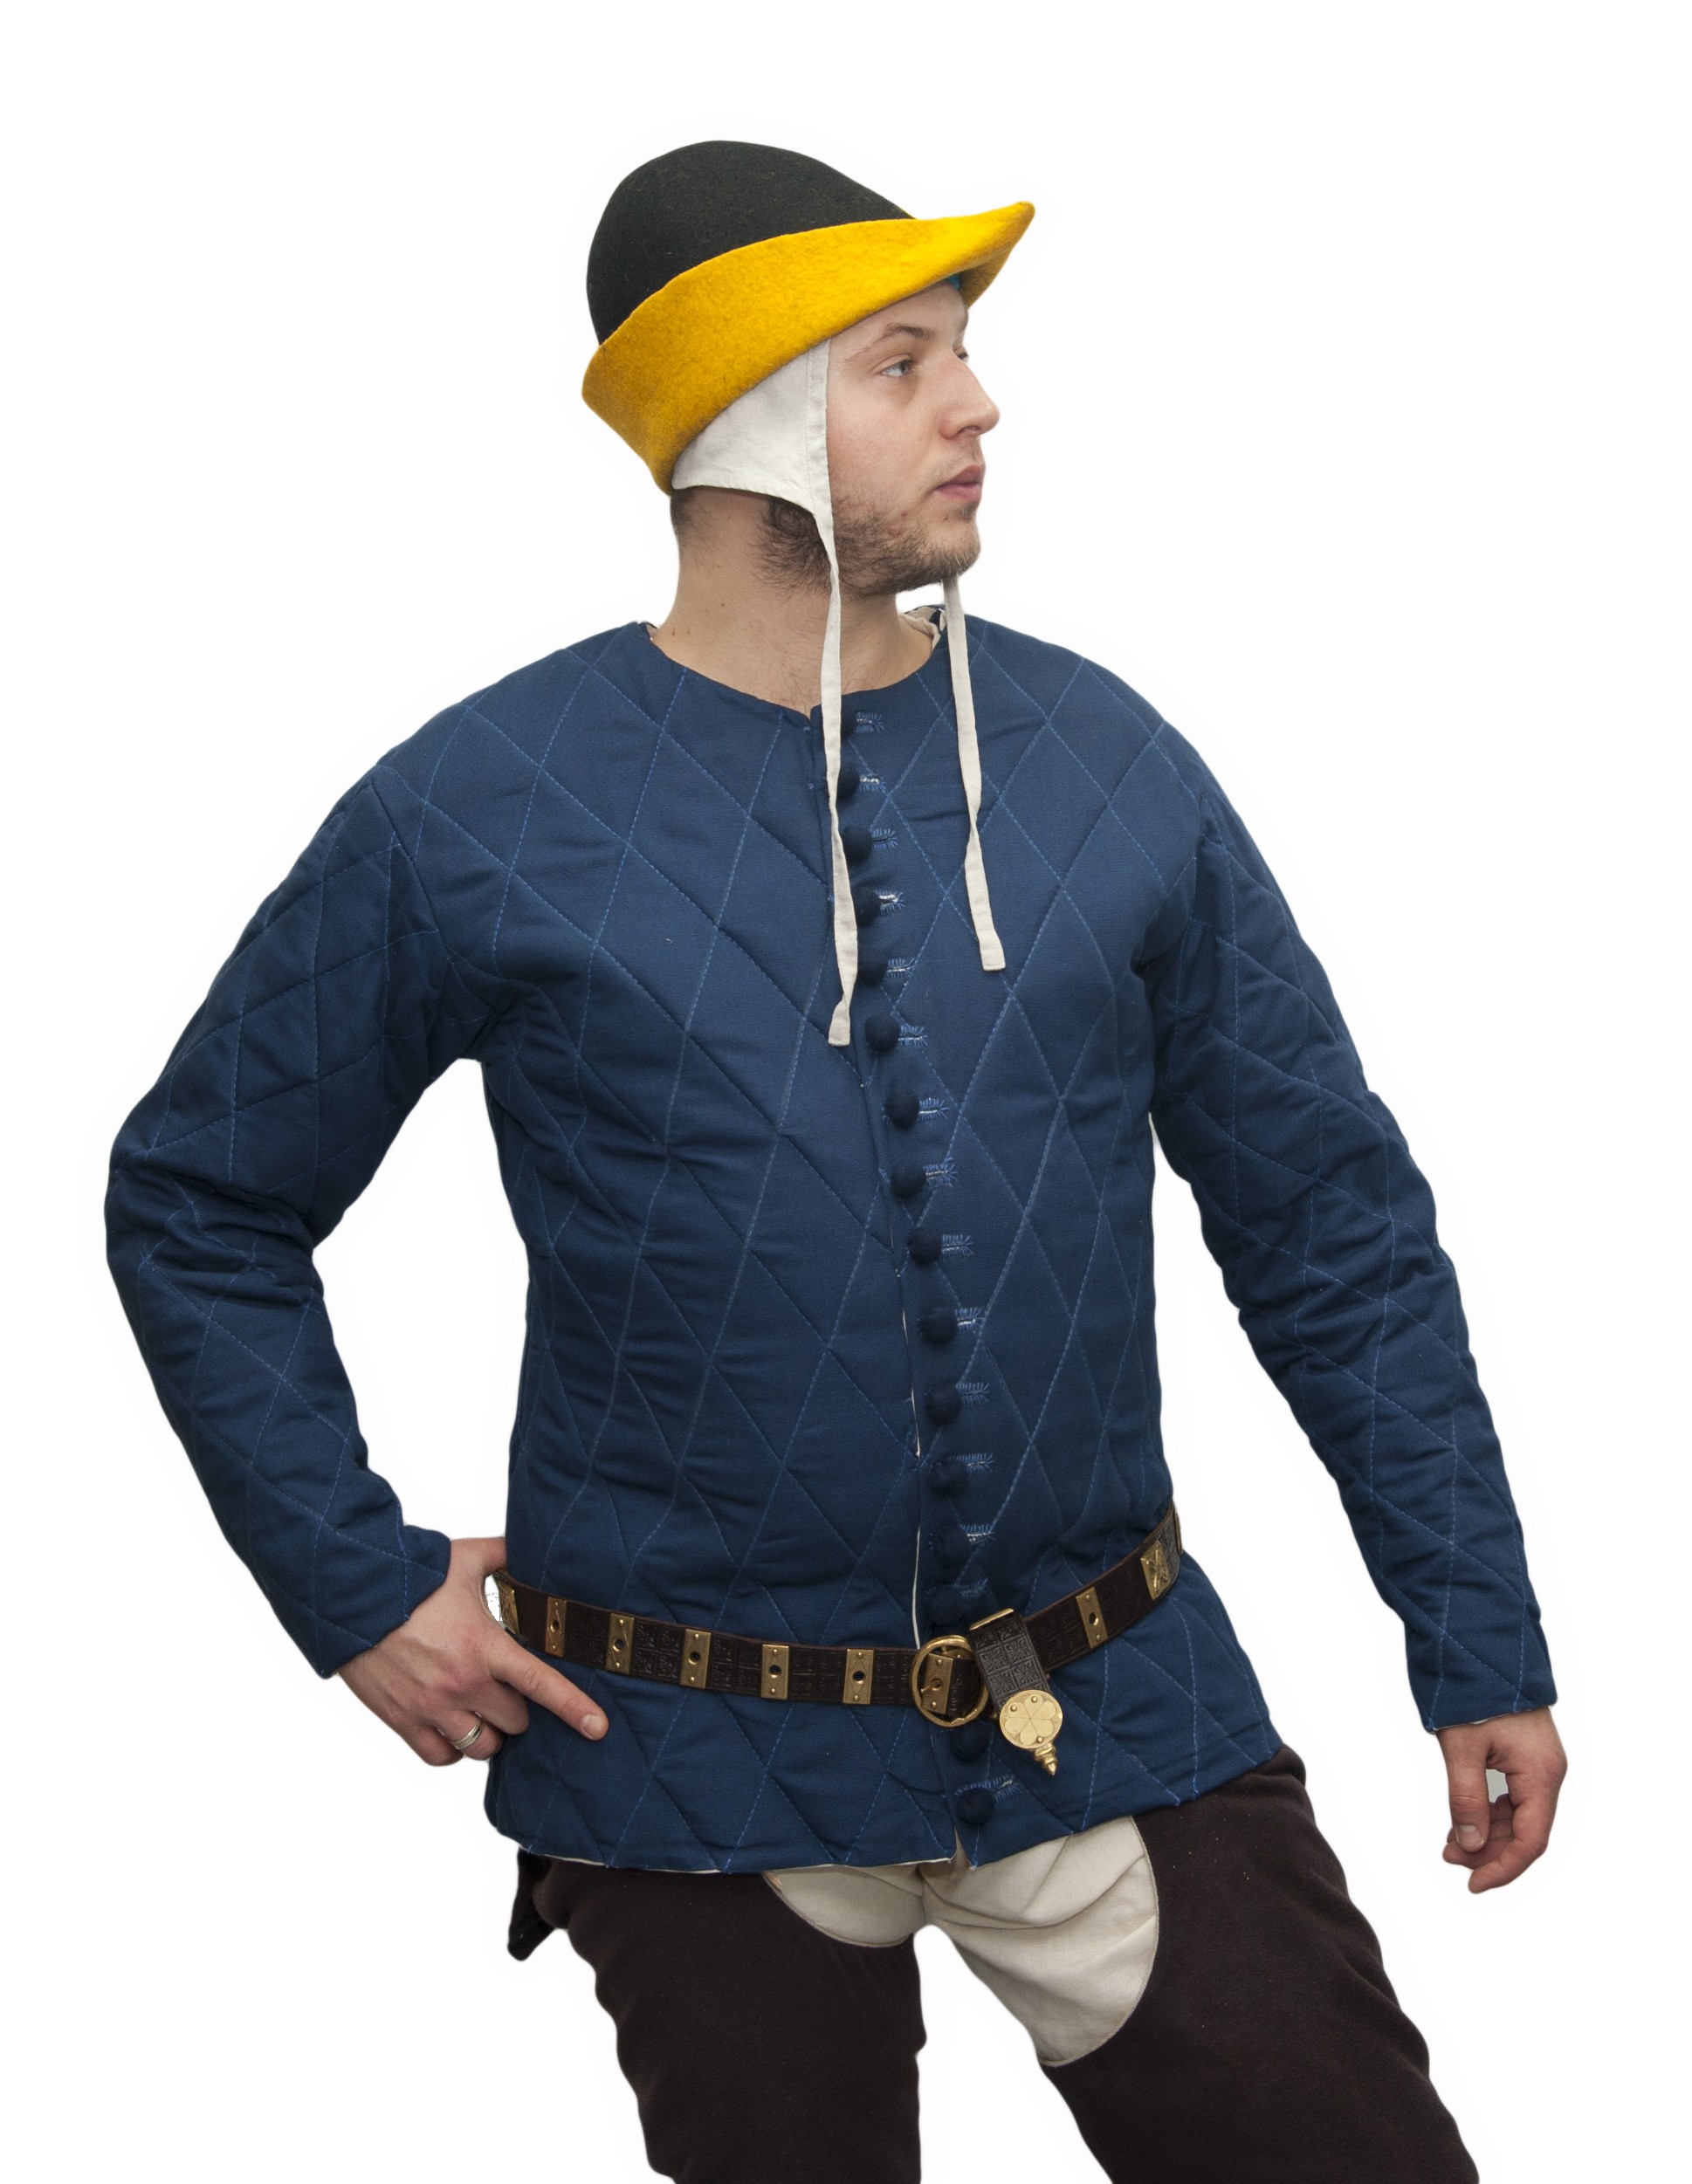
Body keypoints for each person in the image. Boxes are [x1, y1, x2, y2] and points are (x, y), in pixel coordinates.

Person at [105, 140, 1566, 2182]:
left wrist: (1474, 1631)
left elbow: (1330, 1222)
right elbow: (202, 1195)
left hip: (1115, 1705)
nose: (979, 406)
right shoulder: (477, 809)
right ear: (743, 421)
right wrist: (348, 1580)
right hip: (684, 1750)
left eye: (960, 352)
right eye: (903, 363)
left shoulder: (1112, 766)